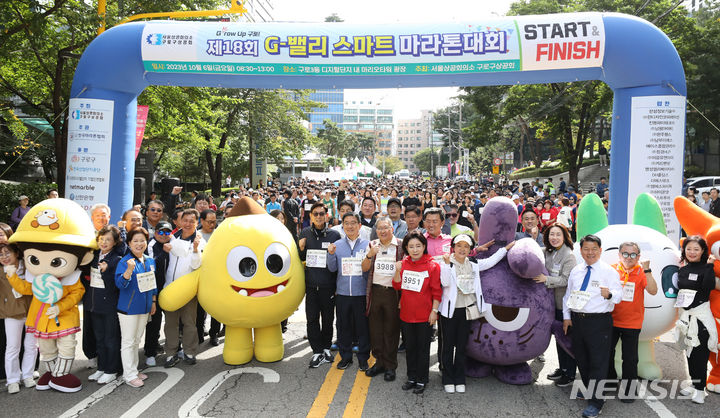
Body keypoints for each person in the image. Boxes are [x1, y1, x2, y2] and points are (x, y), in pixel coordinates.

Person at [439, 234, 514, 393]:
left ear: (470, 249)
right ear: (453, 247)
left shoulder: (473, 264)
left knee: (461, 346)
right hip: (449, 311)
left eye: (466, 246)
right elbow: (444, 283)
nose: (462, 249)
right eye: (459, 246)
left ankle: (459, 377)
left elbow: (491, 261)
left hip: (467, 311)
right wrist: (446, 265)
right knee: (447, 347)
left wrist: (505, 249)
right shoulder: (446, 262)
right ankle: (447, 377)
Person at [562, 234, 622, 418]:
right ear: (581, 251)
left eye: (594, 249)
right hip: (578, 320)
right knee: (582, 358)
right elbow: (567, 295)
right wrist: (566, 317)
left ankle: (597, 402)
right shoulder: (577, 270)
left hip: (599, 322)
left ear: (600, 250)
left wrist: (609, 295)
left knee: (598, 361)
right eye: (586, 249)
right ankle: (590, 389)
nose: (590, 253)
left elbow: (620, 295)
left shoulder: (608, 271)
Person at [392, 231, 441, 394]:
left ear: (424, 246)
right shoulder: (403, 263)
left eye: (418, 246)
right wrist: (398, 271)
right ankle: (411, 377)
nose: (415, 250)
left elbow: (436, 291)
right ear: (406, 248)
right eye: (411, 246)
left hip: (424, 315)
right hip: (406, 314)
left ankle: (422, 379)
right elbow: (397, 286)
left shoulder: (432, 265)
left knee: (422, 349)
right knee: (410, 348)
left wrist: (434, 311)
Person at [608, 241, 657, 402]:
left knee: (630, 359)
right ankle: (610, 381)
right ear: (619, 254)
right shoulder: (612, 269)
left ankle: (629, 390)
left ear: (638, 256)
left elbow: (653, 290)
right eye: (625, 254)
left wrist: (647, 269)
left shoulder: (642, 272)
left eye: (633, 254)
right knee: (607, 353)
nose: (629, 257)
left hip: (632, 323)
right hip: (611, 320)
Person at [674, 236, 718, 404]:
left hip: (700, 317)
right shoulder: (683, 269)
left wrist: (710, 265)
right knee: (689, 352)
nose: (692, 252)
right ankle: (694, 384)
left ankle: (700, 390)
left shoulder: (706, 268)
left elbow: (708, 286)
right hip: (685, 316)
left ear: (703, 251)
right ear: (684, 250)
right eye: (689, 249)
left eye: (696, 249)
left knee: (700, 353)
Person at [361, 217, 404, 382]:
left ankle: (390, 365)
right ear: (376, 231)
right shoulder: (372, 244)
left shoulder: (400, 245)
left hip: (393, 293)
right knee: (376, 329)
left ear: (392, 229)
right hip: (376, 292)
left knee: (391, 330)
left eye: (386, 228)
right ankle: (379, 362)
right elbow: (364, 268)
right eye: (379, 229)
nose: (383, 231)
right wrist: (369, 255)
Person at [534, 224, 577, 387]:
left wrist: (547, 280)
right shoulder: (548, 251)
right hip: (550, 303)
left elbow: (567, 280)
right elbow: (534, 252)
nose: (554, 237)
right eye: (552, 234)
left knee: (566, 339)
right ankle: (562, 368)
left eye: (558, 235)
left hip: (563, 304)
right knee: (559, 339)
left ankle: (570, 374)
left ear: (565, 236)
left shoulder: (568, 255)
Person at [298, 203, 340, 368]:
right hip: (311, 285)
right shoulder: (305, 233)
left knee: (328, 319)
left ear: (326, 216)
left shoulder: (334, 235)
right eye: (315, 213)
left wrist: (337, 285)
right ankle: (316, 351)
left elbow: (338, 261)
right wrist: (301, 248)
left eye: (321, 213)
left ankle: (326, 348)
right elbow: (300, 257)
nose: (318, 216)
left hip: (328, 285)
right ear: (310, 216)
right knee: (312, 319)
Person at [327, 212, 370, 370]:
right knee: (343, 326)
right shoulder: (337, 245)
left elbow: (369, 270)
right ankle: (345, 357)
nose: (350, 226)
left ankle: (363, 357)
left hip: (361, 294)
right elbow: (332, 268)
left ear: (359, 226)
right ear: (342, 226)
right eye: (347, 223)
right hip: (343, 294)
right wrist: (331, 254)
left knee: (362, 327)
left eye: (353, 223)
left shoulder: (367, 245)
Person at [115, 228, 157, 388]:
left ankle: (134, 369)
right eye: (135, 241)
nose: (139, 244)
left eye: (142, 240)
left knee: (136, 341)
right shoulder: (124, 261)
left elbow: (152, 284)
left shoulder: (149, 260)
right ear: (129, 243)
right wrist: (128, 270)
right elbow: (120, 284)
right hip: (128, 309)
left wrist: (153, 301)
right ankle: (129, 375)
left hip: (145, 307)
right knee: (128, 342)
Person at [164, 209, 205, 367]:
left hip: (187, 290)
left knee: (189, 322)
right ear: (180, 221)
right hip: (169, 288)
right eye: (185, 220)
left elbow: (196, 265)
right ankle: (170, 353)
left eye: (191, 221)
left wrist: (195, 250)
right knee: (170, 324)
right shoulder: (173, 237)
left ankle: (189, 351)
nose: (187, 224)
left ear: (197, 223)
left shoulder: (200, 241)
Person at [85, 225, 123, 384]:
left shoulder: (116, 260)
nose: (104, 242)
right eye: (102, 239)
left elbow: (116, 286)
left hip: (109, 306)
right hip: (93, 305)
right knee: (99, 339)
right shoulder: (92, 257)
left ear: (115, 242)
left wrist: (107, 272)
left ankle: (112, 369)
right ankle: (101, 367)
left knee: (110, 339)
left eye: (108, 239)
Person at [0, 241, 36, 394]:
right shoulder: (2, 271)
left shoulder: (29, 266)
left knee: (31, 346)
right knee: (13, 347)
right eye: (1, 255)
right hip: (11, 312)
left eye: (7, 253)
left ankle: (27, 375)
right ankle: (12, 379)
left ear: (16, 253)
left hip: (32, 311)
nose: (4, 257)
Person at [145, 221, 172, 363]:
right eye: (161, 232)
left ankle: (174, 348)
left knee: (172, 321)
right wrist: (164, 253)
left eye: (167, 232)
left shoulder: (174, 243)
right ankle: (150, 352)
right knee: (153, 322)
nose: (163, 235)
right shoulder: (150, 245)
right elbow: (152, 265)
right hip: (154, 289)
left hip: (171, 289)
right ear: (155, 232)